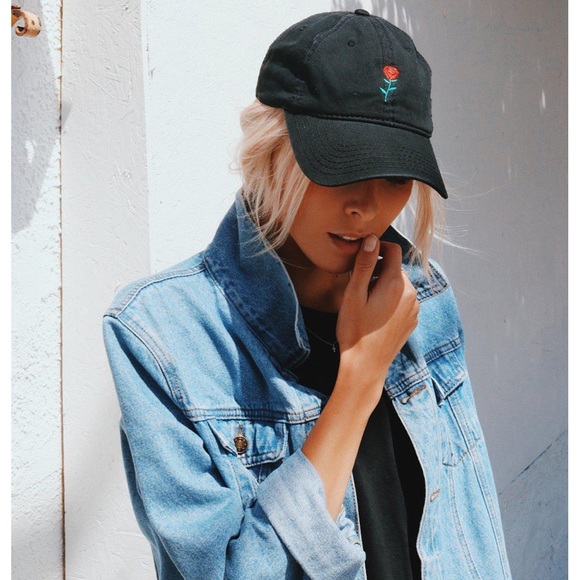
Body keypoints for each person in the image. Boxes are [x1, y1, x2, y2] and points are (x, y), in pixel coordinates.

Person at [103, 10, 512, 580]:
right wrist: (360, 380)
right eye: (340, 166)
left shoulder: (422, 292)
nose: (367, 205)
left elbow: (471, 521)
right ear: (271, 148)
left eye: (396, 176)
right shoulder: (162, 336)